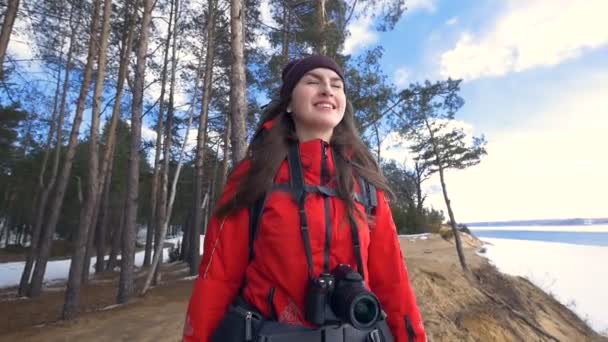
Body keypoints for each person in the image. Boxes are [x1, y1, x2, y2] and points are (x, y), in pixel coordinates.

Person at [183, 55, 427, 342]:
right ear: (288, 102)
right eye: (313, 82)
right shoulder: (255, 174)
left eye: (336, 85)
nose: (327, 90)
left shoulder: (364, 183)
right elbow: (218, 278)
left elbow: (393, 280)